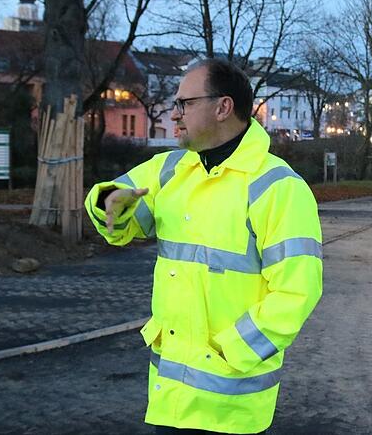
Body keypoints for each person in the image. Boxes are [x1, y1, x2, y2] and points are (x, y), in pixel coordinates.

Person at [85, 58, 323, 434]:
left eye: (184, 103)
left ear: (223, 107)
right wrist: (111, 200)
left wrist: (231, 351)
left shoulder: (279, 188)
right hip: (171, 399)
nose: (173, 113)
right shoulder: (170, 170)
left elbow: (297, 291)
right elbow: (118, 225)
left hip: (230, 406)